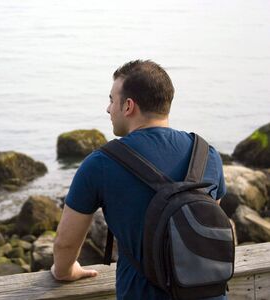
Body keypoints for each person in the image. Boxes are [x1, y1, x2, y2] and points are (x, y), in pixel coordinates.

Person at [51, 60, 227, 300]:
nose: (108, 108)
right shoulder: (207, 154)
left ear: (128, 106)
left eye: (112, 100)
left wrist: (65, 271)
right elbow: (208, 227)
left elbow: (65, 243)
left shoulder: (101, 163)